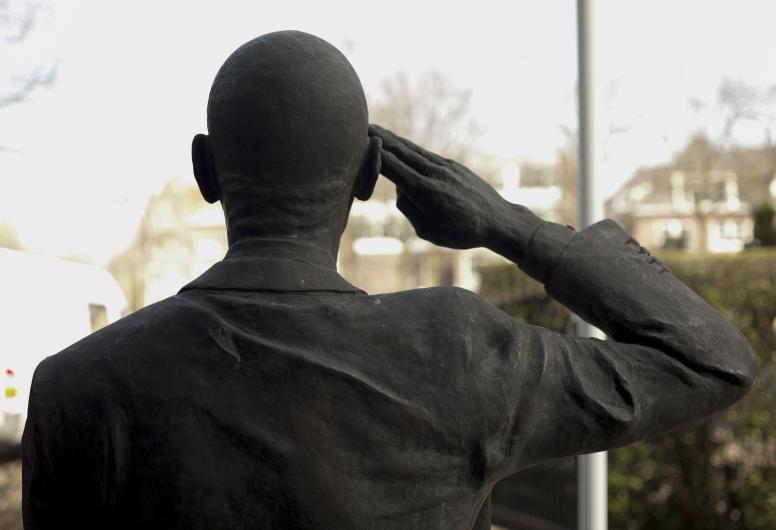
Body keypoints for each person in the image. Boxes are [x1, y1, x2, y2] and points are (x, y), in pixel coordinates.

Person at [22, 30, 756, 530]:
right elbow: (711, 358)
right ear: (370, 174)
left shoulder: (77, 390)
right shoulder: (459, 353)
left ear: (206, 171)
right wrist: (509, 226)